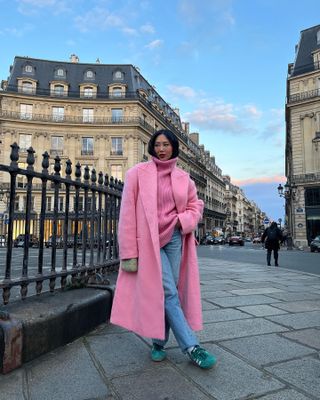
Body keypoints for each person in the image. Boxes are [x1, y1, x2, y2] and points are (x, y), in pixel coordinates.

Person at [110, 129, 217, 369]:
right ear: (151, 147)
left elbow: (195, 205)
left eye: (166, 144)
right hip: (148, 241)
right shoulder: (136, 174)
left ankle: (158, 342)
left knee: (171, 291)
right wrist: (128, 252)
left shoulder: (184, 178)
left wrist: (183, 221)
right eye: (157, 144)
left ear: (173, 147)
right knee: (168, 291)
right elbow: (126, 215)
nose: (161, 149)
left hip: (175, 238)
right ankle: (192, 347)